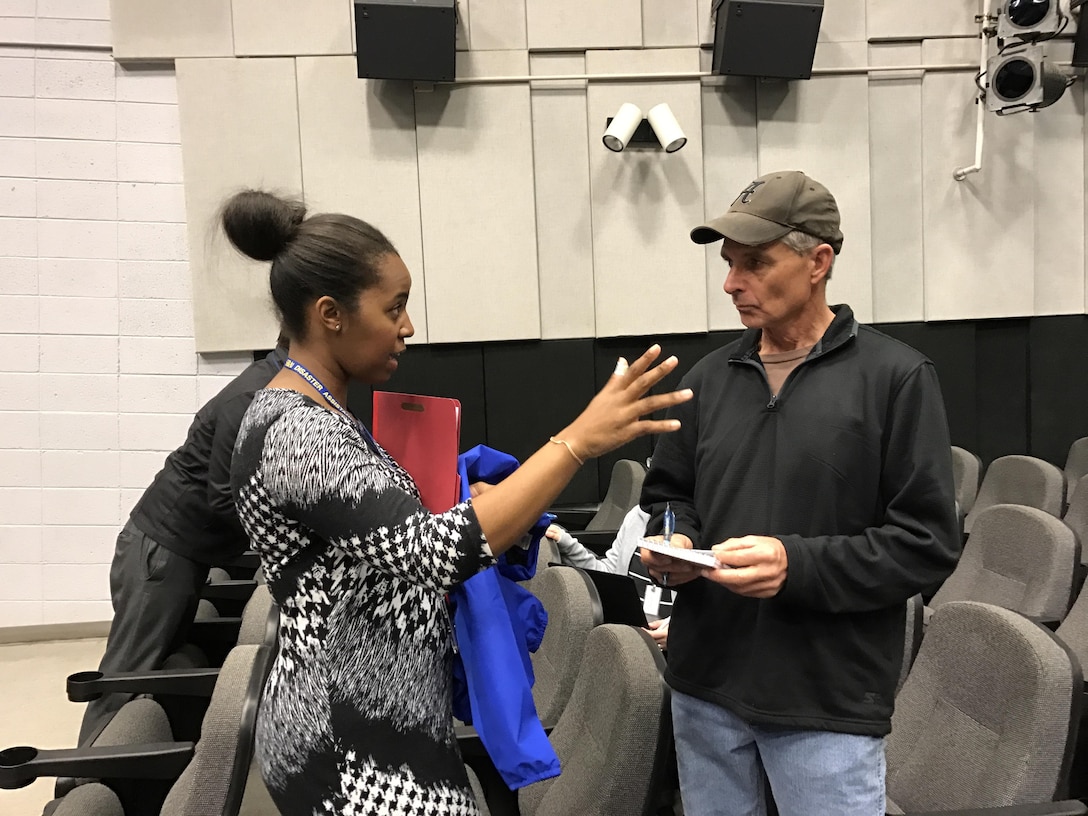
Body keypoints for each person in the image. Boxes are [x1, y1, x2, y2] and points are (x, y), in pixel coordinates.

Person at [222, 189, 693, 816]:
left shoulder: (312, 409)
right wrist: (577, 442)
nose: (408, 327)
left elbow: (374, 540)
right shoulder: (300, 429)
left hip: (374, 717)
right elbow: (433, 553)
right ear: (330, 313)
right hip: (355, 747)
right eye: (394, 308)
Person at [639, 170, 961, 816]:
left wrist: (796, 566)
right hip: (704, 689)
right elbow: (670, 494)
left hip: (825, 702)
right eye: (730, 264)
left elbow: (925, 545)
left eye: (755, 263)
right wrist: (674, 537)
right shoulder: (707, 380)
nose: (731, 282)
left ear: (819, 262)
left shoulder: (896, 380)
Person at [77, 339, 287, 745]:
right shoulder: (255, 393)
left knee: (149, 675)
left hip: (178, 550)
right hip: (160, 550)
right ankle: (76, 792)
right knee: (126, 678)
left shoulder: (275, 386)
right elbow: (225, 496)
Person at [544, 504, 671, 647]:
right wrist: (569, 548)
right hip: (625, 636)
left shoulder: (697, 528)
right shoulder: (638, 515)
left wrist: (681, 631)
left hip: (674, 651)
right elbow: (611, 574)